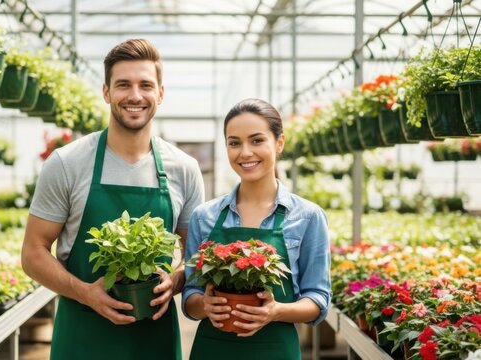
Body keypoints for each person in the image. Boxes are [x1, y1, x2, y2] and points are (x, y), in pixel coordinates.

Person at [21, 38, 205, 360]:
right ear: (106, 92)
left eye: (146, 85)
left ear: (160, 94)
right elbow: (33, 253)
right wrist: (87, 294)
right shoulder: (68, 162)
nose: (135, 95)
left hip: (154, 341)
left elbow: (194, 255)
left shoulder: (184, 169)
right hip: (82, 338)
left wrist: (175, 281)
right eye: (123, 85)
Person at [182, 98, 331, 359]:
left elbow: (318, 299)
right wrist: (205, 306)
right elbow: (190, 297)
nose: (245, 152)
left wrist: (276, 311)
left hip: (275, 350)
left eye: (257, 140)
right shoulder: (204, 217)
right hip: (213, 349)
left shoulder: (308, 217)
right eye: (234, 143)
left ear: (279, 143)